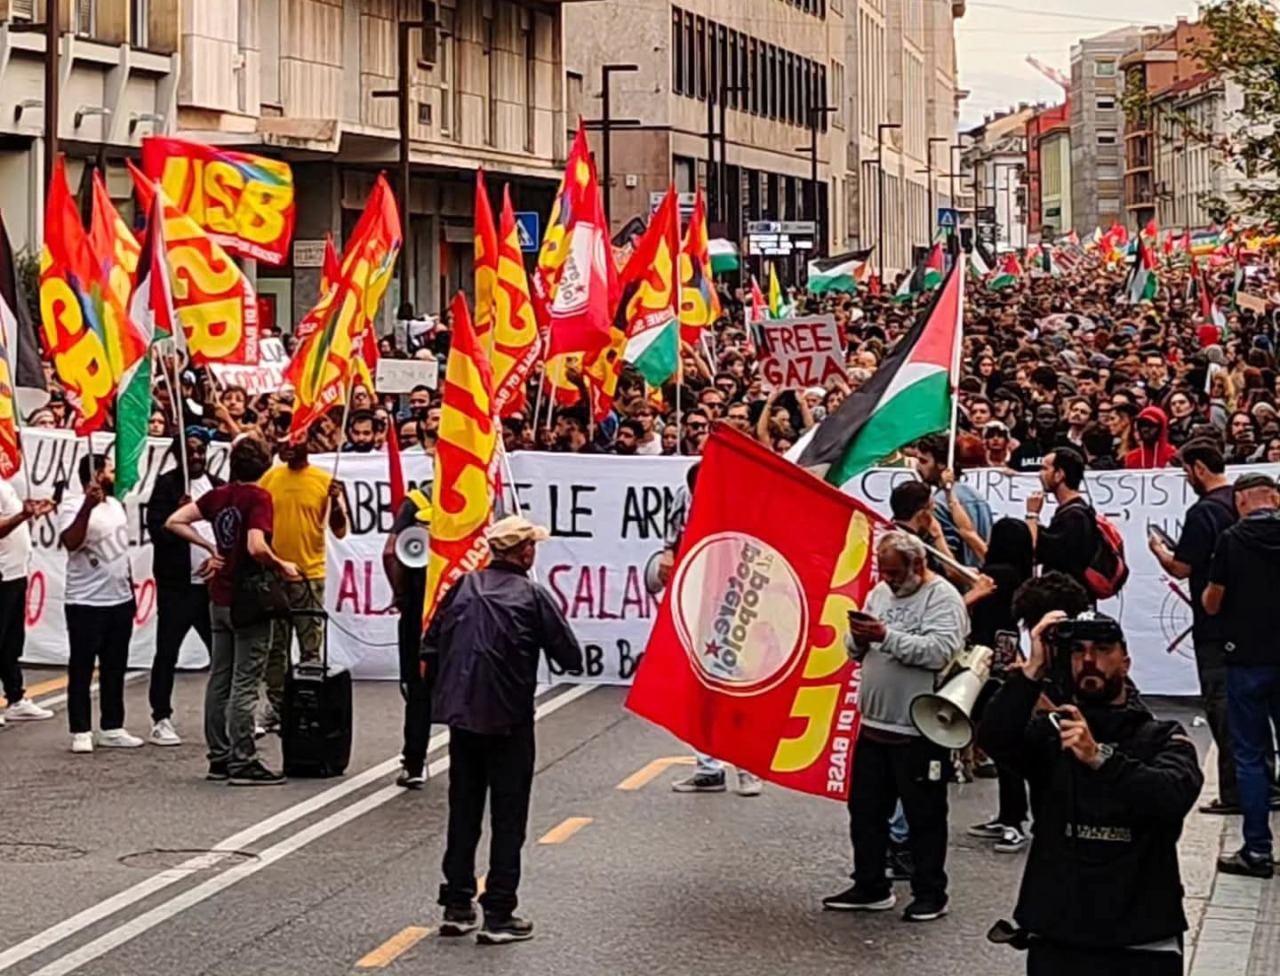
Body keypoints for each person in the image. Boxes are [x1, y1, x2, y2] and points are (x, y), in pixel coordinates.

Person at [978, 610, 1202, 976]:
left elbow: (1173, 794)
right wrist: (1033, 670)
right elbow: (995, 740)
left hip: (1140, 941)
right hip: (1058, 936)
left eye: (1102, 648)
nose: (1089, 660)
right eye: (1078, 650)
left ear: (1125, 661)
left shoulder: (1161, 736)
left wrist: (1100, 758)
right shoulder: (1050, 735)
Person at [426, 515, 584, 945]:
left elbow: (431, 643)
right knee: (508, 818)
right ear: (525, 553)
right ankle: (499, 911)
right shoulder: (532, 596)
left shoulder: (461, 587)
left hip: (463, 719)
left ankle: (457, 905)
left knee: (463, 811)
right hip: (509, 719)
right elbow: (570, 655)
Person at [825, 531, 968, 923]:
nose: (887, 580)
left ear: (918, 566)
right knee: (866, 811)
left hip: (919, 730)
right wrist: (856, 639)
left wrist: (886, 636)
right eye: (883, 572)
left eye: (894, 573)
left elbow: (940, 651)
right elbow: (856, 652)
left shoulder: (943, 599)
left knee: (924, 815)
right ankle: (870, 885)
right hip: (874, 725)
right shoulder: (879, 593)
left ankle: (930, 892)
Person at [1148, 440, 1274, 816]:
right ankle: (1265, 784)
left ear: (1199, 468)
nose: (1186, 478)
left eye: (1186, 471)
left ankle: (1239, 791)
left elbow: (1183, 569)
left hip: (1218, 628)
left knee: (1226, 712)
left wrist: (1159, 552)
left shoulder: (1205, 512)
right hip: (1259, 628)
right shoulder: (1239, 509)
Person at [166, 437, 300, 785]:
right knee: (245, 680)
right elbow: (256, 546)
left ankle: (219, 755)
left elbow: (175, 520)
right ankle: (243, 759)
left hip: (220, 596)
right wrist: (281, 563)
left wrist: (208, 545)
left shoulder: (218, 495)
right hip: (249, 598)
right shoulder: (258, 498)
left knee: (220, 677)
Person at [1203, 472, 1280, 877]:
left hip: (1246, 658)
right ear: (1275, 500)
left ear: (1241, 502)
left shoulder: (1232, 540)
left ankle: (1257, 850)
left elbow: (1213, 603)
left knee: (1250, 756)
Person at [259, 438, 349, 730]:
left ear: (306, 446)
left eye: (293, 442)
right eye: (282, 442)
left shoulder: (324, 481)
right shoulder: (270, 478)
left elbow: (340, 530)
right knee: (276, 645)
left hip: (309, 575)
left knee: (311, 646)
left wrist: (335, 501)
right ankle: (277, 706)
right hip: (273, 573)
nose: (286, 447)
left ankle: (310, 707)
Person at [143, 430, 223, 747]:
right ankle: (160, 717)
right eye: (190, 451)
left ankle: (226, 714)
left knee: (221, 652)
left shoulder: (217, 485)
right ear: (178, 455)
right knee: (167, 652)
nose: (197, 456)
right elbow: (156, 530)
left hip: (211, 586)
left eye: (201, 450)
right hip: (177, 586)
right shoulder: (167, 486)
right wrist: (176, 514)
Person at [58, 454, 140, 753]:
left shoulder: (116, 505)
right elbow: (70, 541)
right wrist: (87, 508)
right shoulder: (71, 505)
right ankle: (80, 729)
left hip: (119, 599)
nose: (114, 473)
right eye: (110, 470)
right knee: (81, 667)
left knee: (115, 665)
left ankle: (112, 726)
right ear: (95, 475)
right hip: (85, 602)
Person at [964, 518, 1035, 853]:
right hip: (1001, 655)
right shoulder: (1019, 573)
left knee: (995, 735)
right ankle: (1009, 813)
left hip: (983, 658)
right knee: (994, 734)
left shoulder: (997, 574)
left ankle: (1014, 820)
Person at [382, 486, 434, 790]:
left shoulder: (418, 500)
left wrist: (400, 593)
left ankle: (414, 763)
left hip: (418, 610)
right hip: (463, 608)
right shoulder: (480, 498)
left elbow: (391, 551)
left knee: (418, 687)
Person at [0, 473, 55, 727]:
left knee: (11, 643)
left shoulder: (5, 486)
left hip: (15, 573)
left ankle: (15, 698)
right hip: (2, 576)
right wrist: (22, 515)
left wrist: (31, 513)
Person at [914, 433, 992, 568]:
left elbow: (947, 558)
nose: (917, 467)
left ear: (942, 464)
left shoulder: (937, 504)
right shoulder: (977, 496)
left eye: (923, 461)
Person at [1026, 448, 1095, 593]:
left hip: (1067, 600)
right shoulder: (1076, 512)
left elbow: (1034, 551)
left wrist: (1032, 515)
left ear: (1059, 475)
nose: (1040, 475)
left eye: (1045, 469)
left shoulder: (1074, 517)